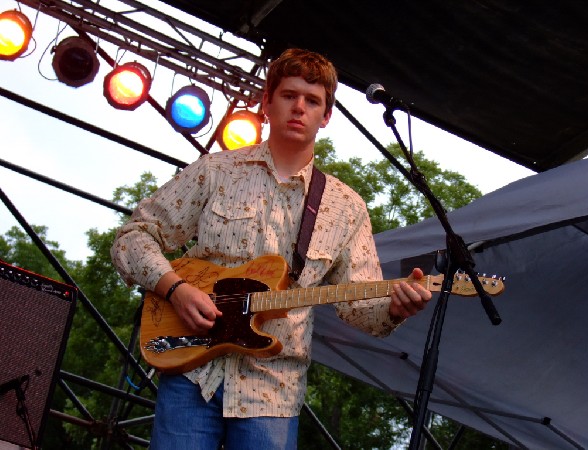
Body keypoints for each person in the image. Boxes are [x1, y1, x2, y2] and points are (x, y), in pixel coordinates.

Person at [111, 48, 432, 450]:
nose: (299, 107)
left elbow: (358, 308)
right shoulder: (217, 170)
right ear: (266, 103)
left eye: (313, 101)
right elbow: (135, 235)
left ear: (326, 116)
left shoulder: (346, 208)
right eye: (289, 95)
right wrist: (176, 288)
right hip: (192, 372)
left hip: (273, 389)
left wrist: (394, 308)